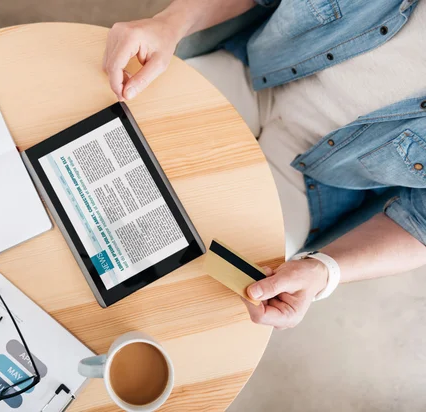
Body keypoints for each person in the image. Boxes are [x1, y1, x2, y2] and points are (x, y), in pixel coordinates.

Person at [102, 0, 426, 329]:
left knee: (192, 296)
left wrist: (324, 271)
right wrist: (170, 22)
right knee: (101, 139)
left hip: (310, 180)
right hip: (256, 73)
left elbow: (420, 223)